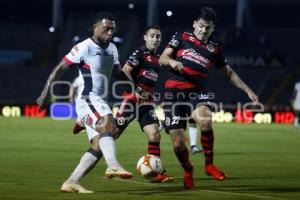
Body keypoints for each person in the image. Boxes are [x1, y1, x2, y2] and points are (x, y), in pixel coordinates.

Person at [159, 7, 258, 189]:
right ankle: (188, 170)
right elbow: (162, 58)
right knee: (179, 143)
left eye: (209, 28)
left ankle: (209, 164)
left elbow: (228, 73)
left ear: (212, 29)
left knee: (205, 120)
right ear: (195, 23)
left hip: (196, 92)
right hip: (173, 95)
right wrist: (172, 61)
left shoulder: (214, 49)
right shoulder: (181, 37)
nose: (204, 30)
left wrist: (247, 90)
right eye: (202, 26)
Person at [37, 12, 132, 194]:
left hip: (100, 100)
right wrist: (45, 92)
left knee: (99, 145)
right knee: (108, 125)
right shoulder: (84, 47)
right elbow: (59, 68)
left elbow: (118, 72)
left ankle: (72, 181)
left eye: (112, 29)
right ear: (95, 28)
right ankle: (113, 165)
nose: (110, 33)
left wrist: (134, 84)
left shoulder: (112, 48)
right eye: (106, 29)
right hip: (88, 98)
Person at [114, 25, 174, 183]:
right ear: (145, 37)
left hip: (146, 103)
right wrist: (134, 91)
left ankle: (158, 172)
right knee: (113, 134)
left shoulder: (159, 59)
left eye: (158, 37)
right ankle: (106, 161)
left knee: (155, 134)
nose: (155, 39)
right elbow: (125, 70)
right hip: (131, 100)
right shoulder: (139, 53)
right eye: (152, 36)